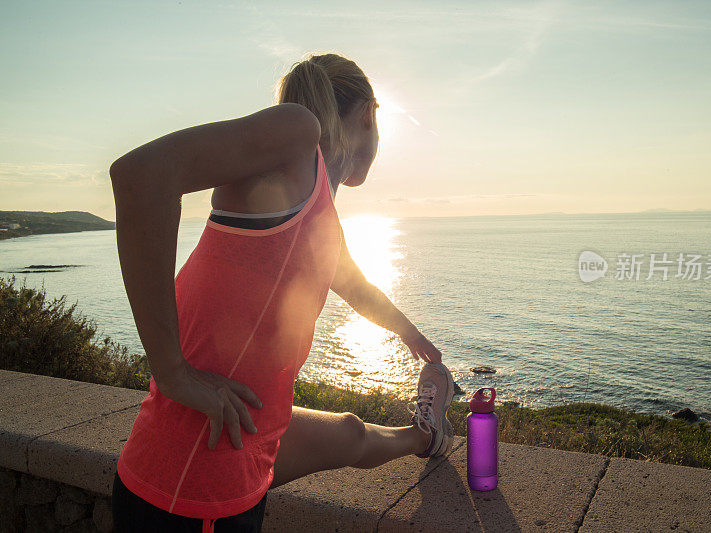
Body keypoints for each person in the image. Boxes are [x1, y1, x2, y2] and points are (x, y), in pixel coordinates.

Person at [109, 52, 455, 532]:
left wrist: (409, 333)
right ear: (367, 115)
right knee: (348, 437)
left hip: (239, 438)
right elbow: (141, 175)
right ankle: (425, 435)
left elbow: (354, 286)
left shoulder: (317, 211)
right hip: (194, 490)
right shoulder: (298, 134)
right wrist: (172, 372)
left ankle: (426, 436)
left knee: (351, 434)